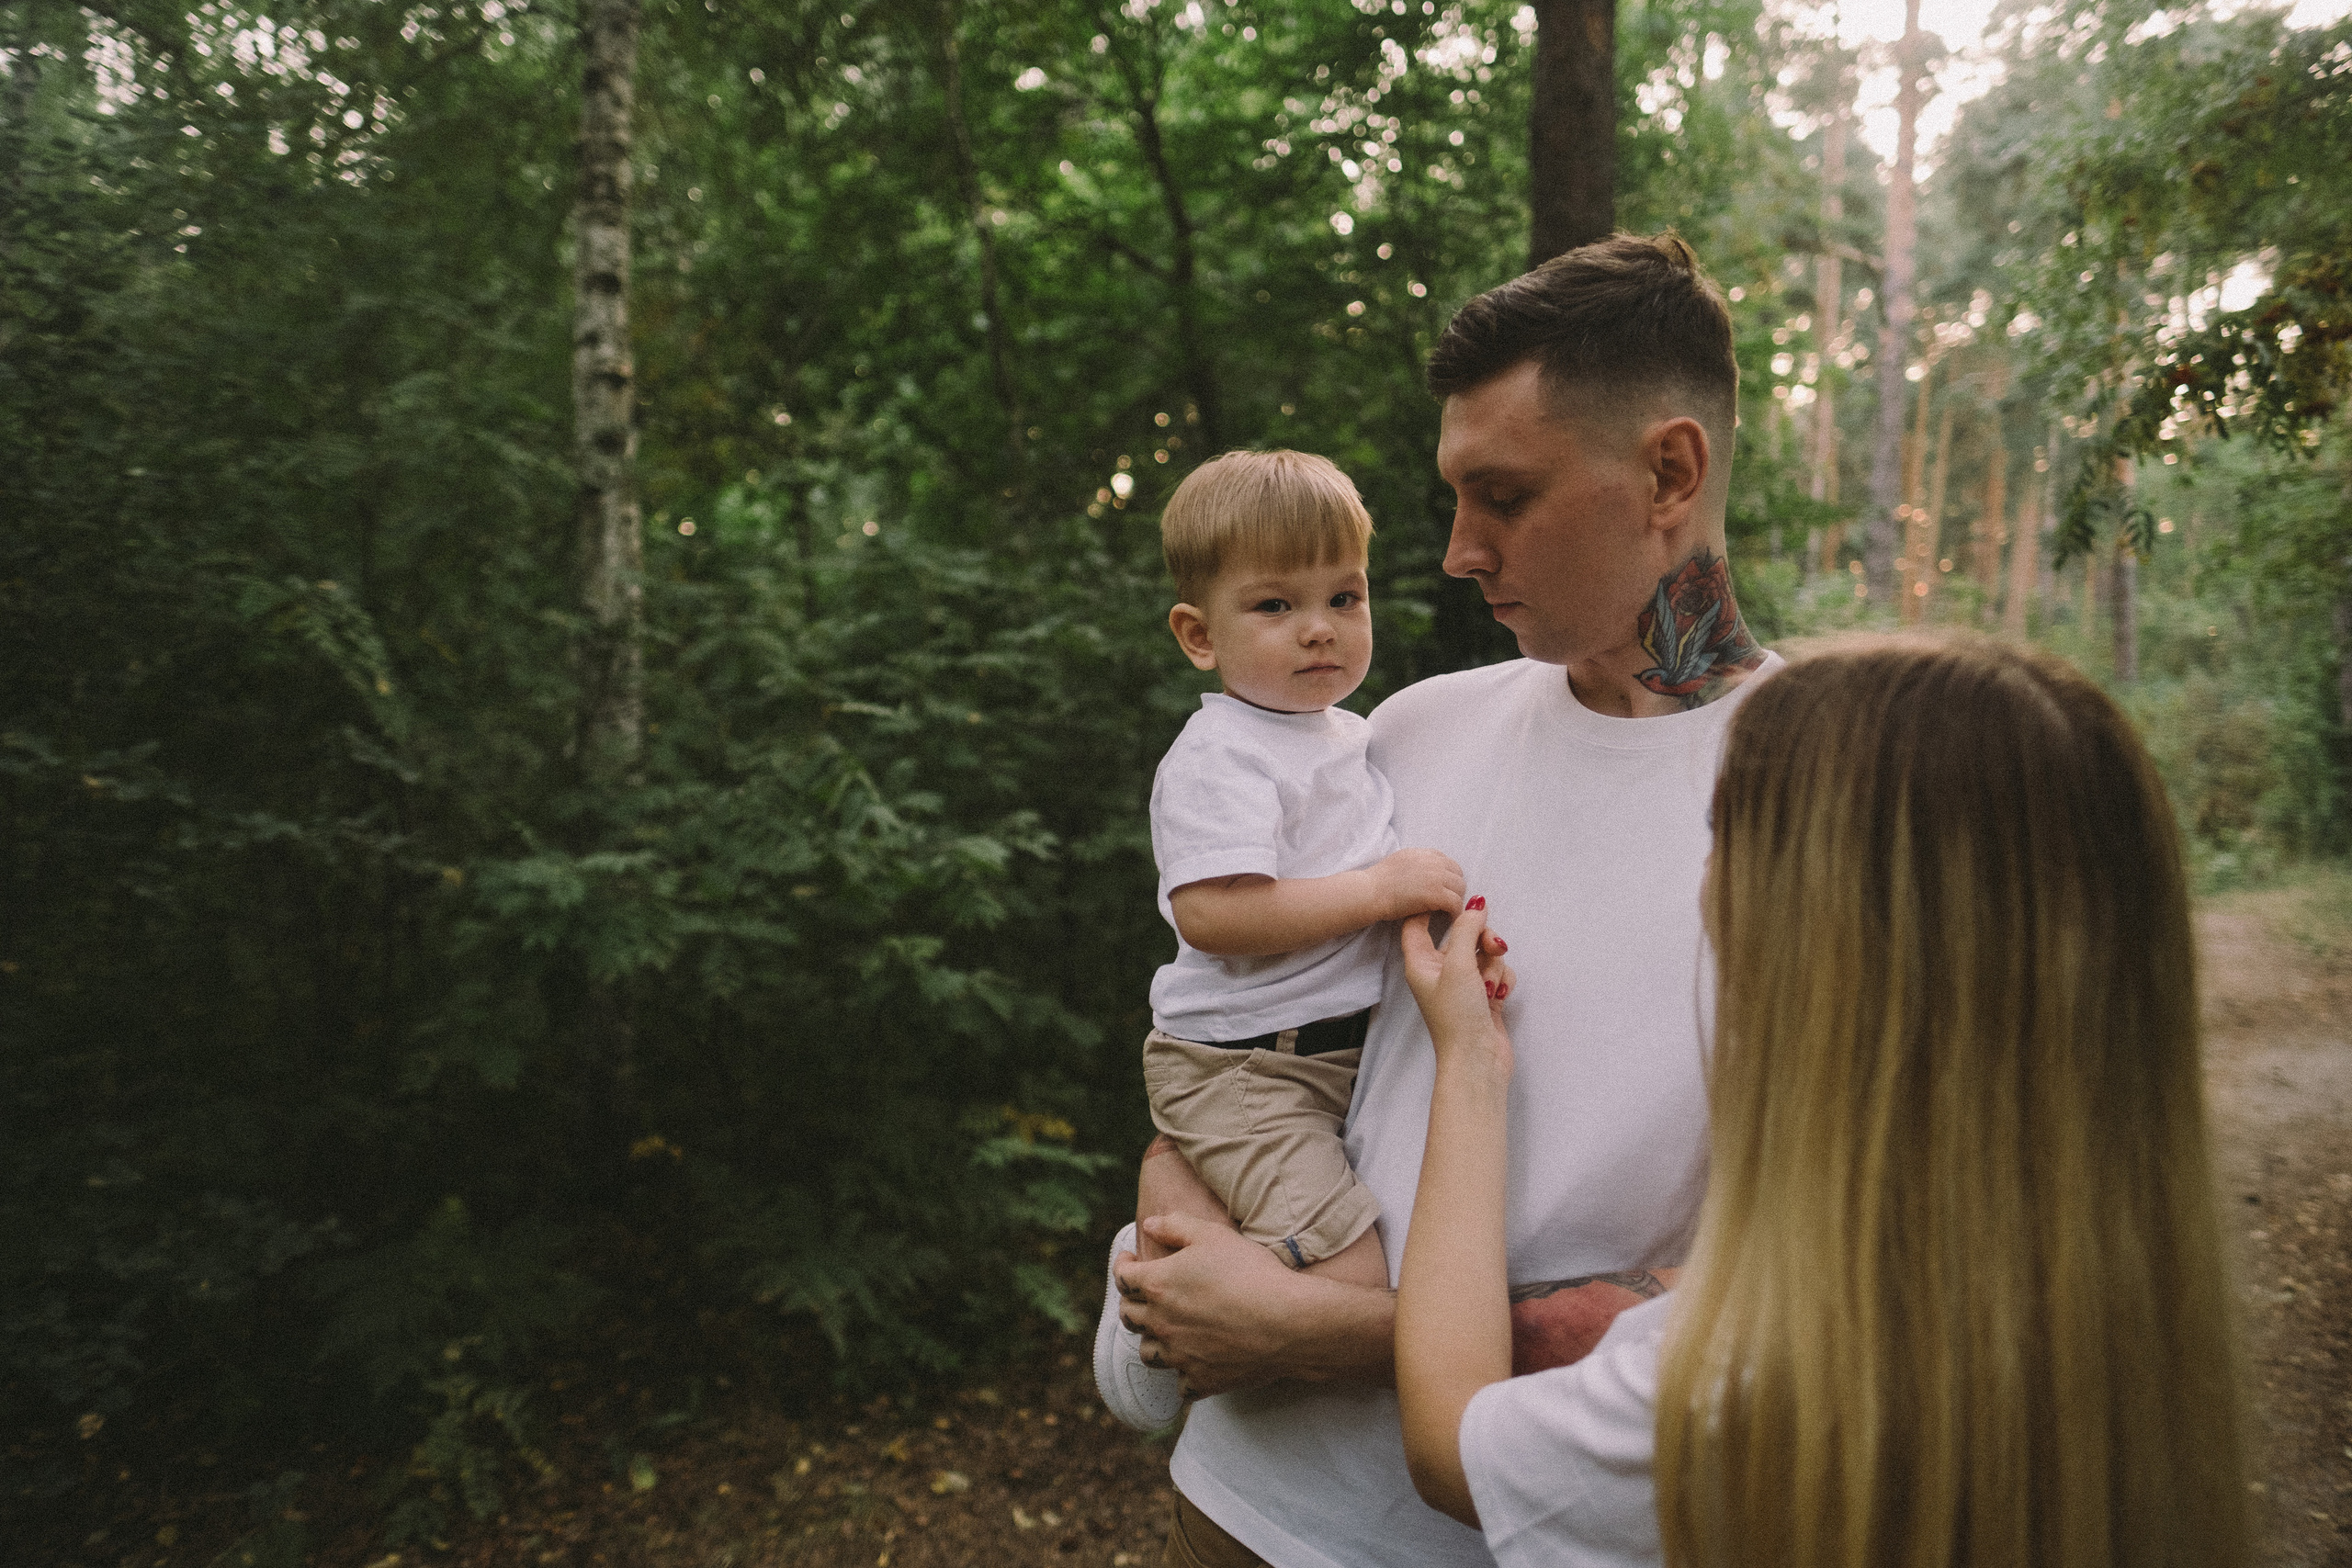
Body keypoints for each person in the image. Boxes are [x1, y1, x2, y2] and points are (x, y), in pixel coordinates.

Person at [1103, 231, 1782, 1568]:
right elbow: (1260, 1043)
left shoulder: (1826, 792)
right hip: (1246, 1497)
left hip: (1516, 1531)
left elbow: (1798, 1287)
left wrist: (1327, 1328)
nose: (1460, 551)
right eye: (1452, 498)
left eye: (1505, 495)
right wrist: (1171, 1239)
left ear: (1669, 471)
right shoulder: (1403, 733)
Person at [1395, 632, 2249, 1568]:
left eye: (1722, 837)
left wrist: (1468, 1071)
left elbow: (1450, 1442)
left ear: (1824, 941)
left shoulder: (1744, 1383)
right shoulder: (2120, 1320)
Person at [1094, 449, 1478, 1432]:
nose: (1318, 629)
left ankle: (1179, 1255)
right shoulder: (1222, 754)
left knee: (1326, 1257)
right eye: (1273, 607)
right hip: (1241, 1070)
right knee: (1348, 1278)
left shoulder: (1351, 739)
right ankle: (1154, 1315)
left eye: (1343, 597)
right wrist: (1380, 889)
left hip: (1328, 1058)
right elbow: (1214, 915)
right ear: (1197, 635)